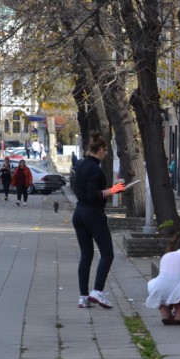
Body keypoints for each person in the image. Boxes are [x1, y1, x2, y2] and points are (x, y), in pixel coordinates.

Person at [73, 132, 126, 309]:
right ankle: (97, 291)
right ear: (101, 150)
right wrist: (112, 190)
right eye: (106, 151)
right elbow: (92, 194)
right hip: (93, 213)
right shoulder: (95, 169)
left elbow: (79, 190)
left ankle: (83, 296)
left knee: (86, 255)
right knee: (107, 253)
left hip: (78, 212)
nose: (106, 154)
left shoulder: (80, 165)